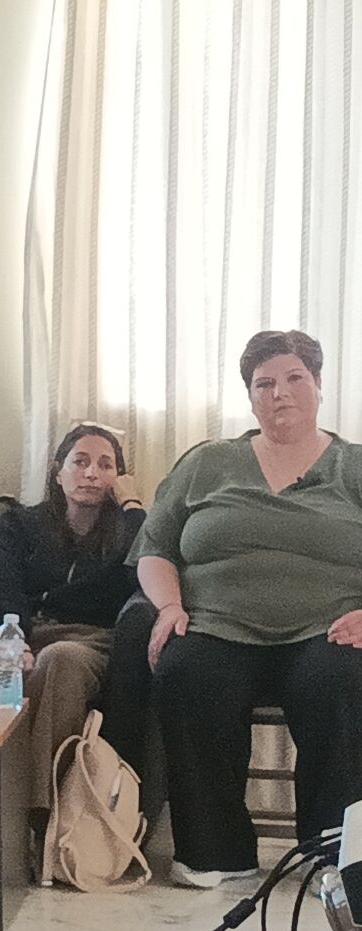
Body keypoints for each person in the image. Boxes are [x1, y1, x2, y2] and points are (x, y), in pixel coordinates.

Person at [131, 330, 362, 889]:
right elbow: (155, 547)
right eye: (264, 383)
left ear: (319, 385)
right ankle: (215, 853)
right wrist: (168, 605)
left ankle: (331, 855)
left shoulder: (353, 466)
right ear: (250, 397)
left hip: (327, 629)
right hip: (217, 625)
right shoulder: (208, 462)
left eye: (294, 378)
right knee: (185, 672)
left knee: (344, 681)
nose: (280, 393)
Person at [0, 424, 143, 830]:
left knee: (60, 660)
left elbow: (147, 573)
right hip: (17, 630)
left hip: (88, 639)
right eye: (80, 462)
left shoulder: (128, 529)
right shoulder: (21, 524)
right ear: (58, 471)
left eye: (105, 465)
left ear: (118, 478)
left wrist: (133, 505)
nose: (91, 473)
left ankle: (41, 815)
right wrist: (14, 639)